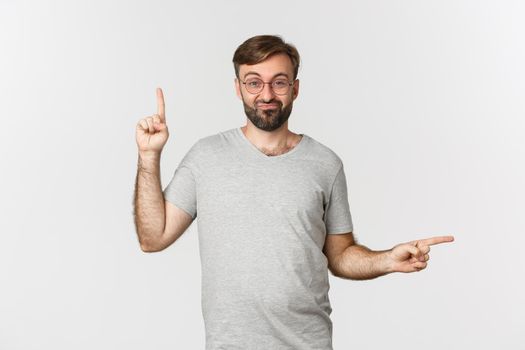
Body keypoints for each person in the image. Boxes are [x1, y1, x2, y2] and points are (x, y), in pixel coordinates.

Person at [133, 34, 454, 350]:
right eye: (254, 82)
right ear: (238, 88)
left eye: (279, 82)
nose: (267, 94)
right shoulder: (206, 157)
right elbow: (153, 237)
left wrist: (387, 260)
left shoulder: (325, 164)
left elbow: (340, 255)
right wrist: (149, 156)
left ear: (295, 88)